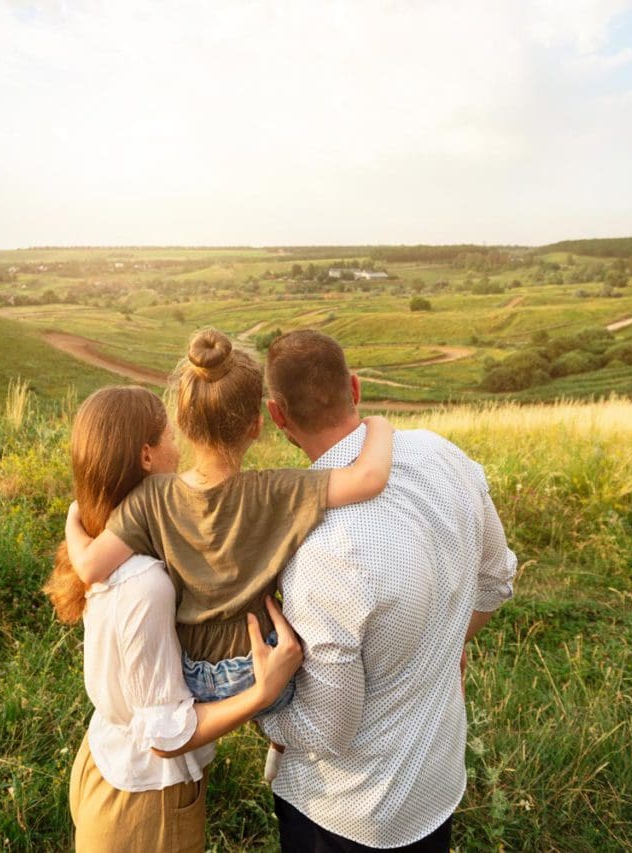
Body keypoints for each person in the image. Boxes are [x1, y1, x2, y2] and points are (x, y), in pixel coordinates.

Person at [259, 330, 518, 853]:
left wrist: (262, 708)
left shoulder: (318, 548)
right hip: (436, 782)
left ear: (277, 415)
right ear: (353, 388)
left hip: (346, 812)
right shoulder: (444, 455)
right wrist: (445, 646)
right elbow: (497, 578)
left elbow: (327, 731)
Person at [64, 328, 394, 726]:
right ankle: (280, 741)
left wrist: (73, 518)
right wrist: (379, 425)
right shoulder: (275, 490)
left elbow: (89, 568)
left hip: (191, 677)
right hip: (259, 667)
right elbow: (370, 477)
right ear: (257, 426)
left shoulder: (151, 496)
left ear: (183, 425)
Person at [44, 386, 303, 852]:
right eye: (168, 435)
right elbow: (166, 735)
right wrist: (263, 691)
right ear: (146, 455)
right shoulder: (145, 583)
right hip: (146, 799)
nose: (178, 446)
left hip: (106, 759)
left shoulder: (102, 538)